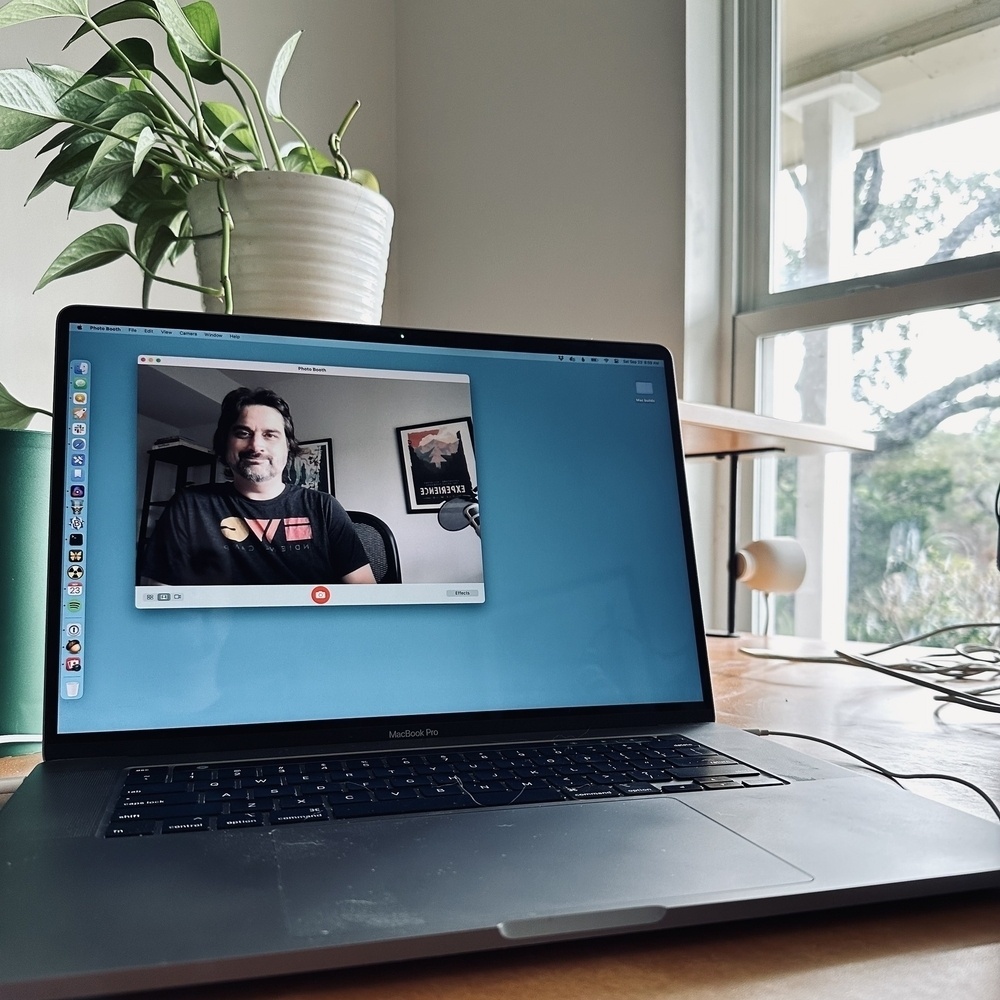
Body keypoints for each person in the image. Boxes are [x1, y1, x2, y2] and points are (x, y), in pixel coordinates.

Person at [141, 387, 376, 587]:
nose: (256, 445)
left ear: (288, 447)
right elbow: (160, 599)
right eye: (243, 433)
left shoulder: (324, 507)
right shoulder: (189, 506)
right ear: (225, 443)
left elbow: (366, 594)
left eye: (270, 435)